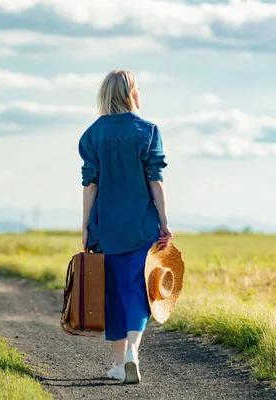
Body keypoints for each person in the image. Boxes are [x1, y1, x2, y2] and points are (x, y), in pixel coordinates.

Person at [79, 69, 173, 384]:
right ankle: (132, 352)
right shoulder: (148, 131)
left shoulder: (92, 134)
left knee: (114, 292)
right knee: (137, 290)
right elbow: (155, 180)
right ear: (130, 93)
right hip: (141, 225)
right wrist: (164, 223)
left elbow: (90, 184)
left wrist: (85, 226)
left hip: (106, 226)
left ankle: (119, 364)